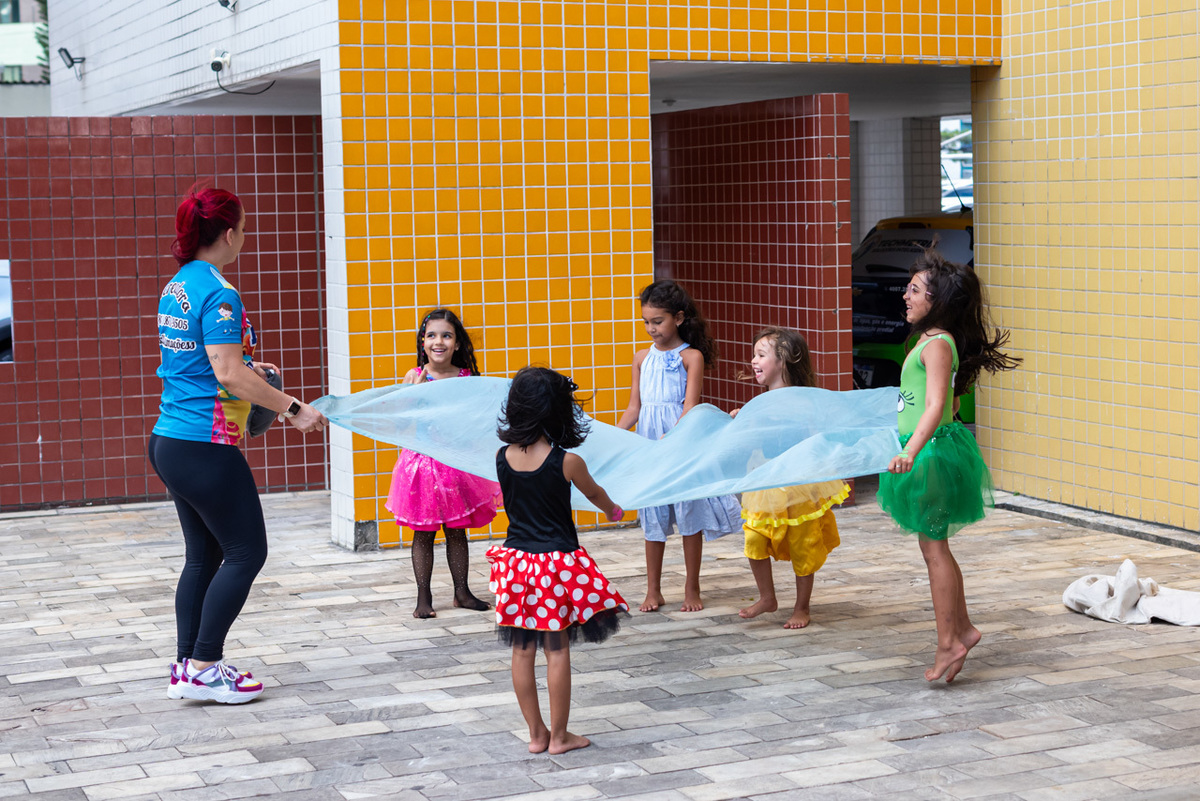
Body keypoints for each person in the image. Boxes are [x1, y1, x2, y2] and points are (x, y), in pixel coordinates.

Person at [149, 186, 327, 704]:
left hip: (170, 439)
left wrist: (254, 374)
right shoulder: (220, 292)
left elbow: (211, 367)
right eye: (243, 229)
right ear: (227, 234)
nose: (245, 238)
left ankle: (187, 665)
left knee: (202, 556)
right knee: (248, 552)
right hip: (204, 446)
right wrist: (295, 408)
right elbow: (227, 371)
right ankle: (206, 665)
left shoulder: (177, 285)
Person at [879, 250, 1020, 682]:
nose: (905, 295)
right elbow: (947, 400)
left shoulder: (938, 344)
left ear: (936, 302)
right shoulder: (929, 342)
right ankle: (962, 629)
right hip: (929, 450)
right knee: (933, 545)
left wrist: (911, 451)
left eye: (915, 290)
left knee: (934, 548)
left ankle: (949, 643)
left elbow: (938, 405)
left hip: (931, 454)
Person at [488, 367, 629, 754]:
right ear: (558, 411)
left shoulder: (503, 457)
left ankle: (536, 734)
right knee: (557, 649)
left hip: (516, 563)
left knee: (521, 650)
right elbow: (597, 495)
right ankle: (560, 736)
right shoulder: (567, 462)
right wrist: (614, 511)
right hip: (554, 566)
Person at [617, 280, 741, 612]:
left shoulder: (691, 357)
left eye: (657, 321)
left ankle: (692, 587)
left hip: (681, 443)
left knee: (689, 514)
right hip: (650, 448)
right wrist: (615, 435)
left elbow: (690, 408)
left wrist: (671, 439)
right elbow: (634, 408)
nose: (650, 328)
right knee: (652, 514)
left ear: (680, 318)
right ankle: (653, 589)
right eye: (646, 322)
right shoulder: (641, 358)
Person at [386, 308, 500, 618]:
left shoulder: (466, 378)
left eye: (447, 335)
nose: (439, 341)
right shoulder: (415, 376)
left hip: (457, 465)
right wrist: (416, 392)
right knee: (423, 532)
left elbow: (476, 418)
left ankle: (461, 592)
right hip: (422, 465)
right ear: (423, 342)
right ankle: (424, 596)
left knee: (456, 531)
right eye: (432, 335)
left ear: (458, 344)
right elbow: (403, 419)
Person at [732, 328, 850, 629]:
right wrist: (741, 421)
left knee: (803, 543)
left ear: (783, 360)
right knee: (754, 537)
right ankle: (767, 597)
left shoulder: (805, 401)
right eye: (754, 354)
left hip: (799, 482)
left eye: (761, 355)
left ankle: (802, 606)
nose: (753, 360)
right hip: (767, 480)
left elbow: (815, 434)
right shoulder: (760, 403)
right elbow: (754, 435)